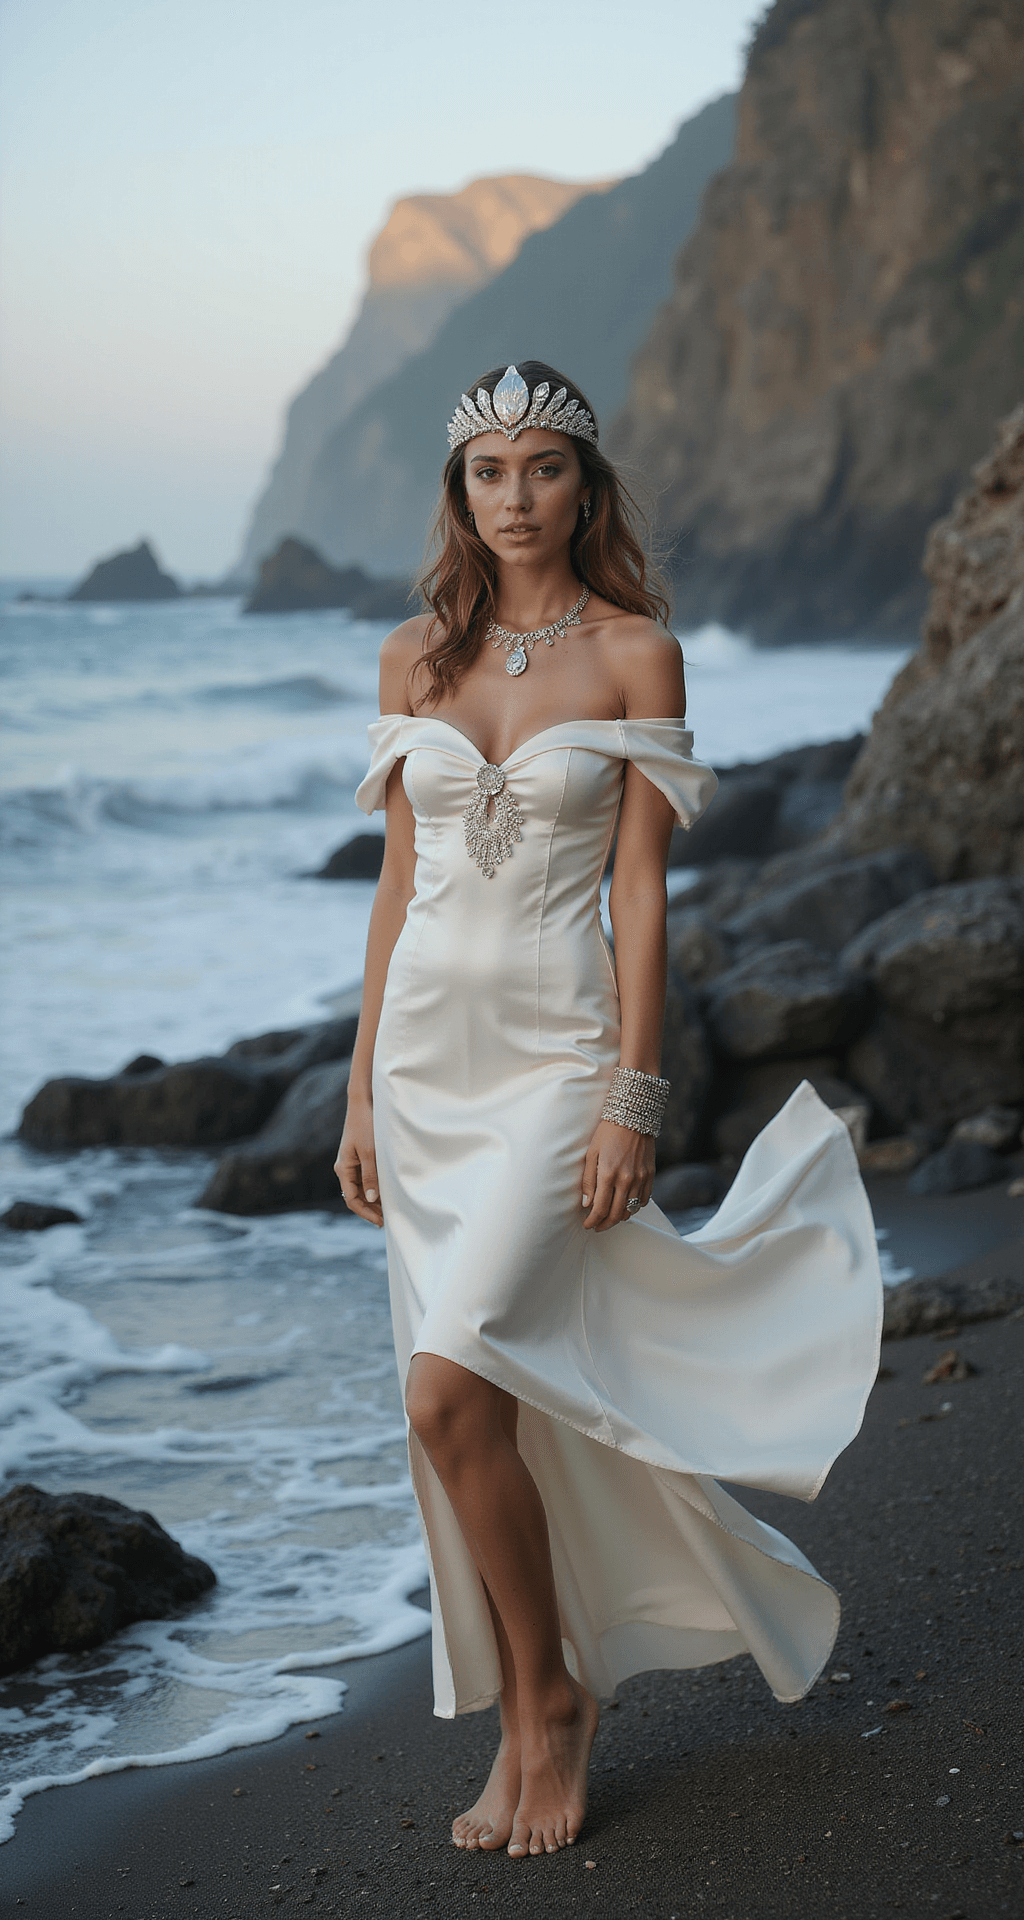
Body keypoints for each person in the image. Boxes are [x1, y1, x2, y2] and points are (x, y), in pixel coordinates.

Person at [335, 362, 882, 1861]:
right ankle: (527, 1698)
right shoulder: (410, 661)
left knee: (447, 1395)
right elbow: (397, 890)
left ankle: (556, 1704)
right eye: (488, 472)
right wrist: (359, 1088)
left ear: (588, 483)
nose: (516, 499)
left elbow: (641, 892)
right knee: (466, 1418)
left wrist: (638, 1091)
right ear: (459, 493)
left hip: (559, 1059)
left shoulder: (642, 654)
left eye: (543, 469)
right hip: (424, 1071)